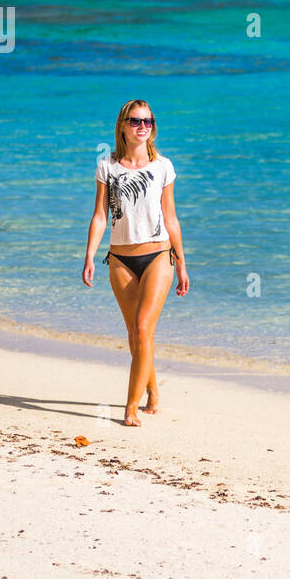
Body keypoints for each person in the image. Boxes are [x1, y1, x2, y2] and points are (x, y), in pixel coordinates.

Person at [82, 100, 189, 425]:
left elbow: (170, 218)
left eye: (148, 121)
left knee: (143, 328)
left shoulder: (163, 166)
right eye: (136, 121)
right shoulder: (107, 167)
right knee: (136, 334)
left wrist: (182, 264)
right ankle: (153, 390)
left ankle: (130, 408)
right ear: (123, 126)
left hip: (158, 255)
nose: (143, 126)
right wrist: (89, 255)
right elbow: (101, 215)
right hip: (120, 260)